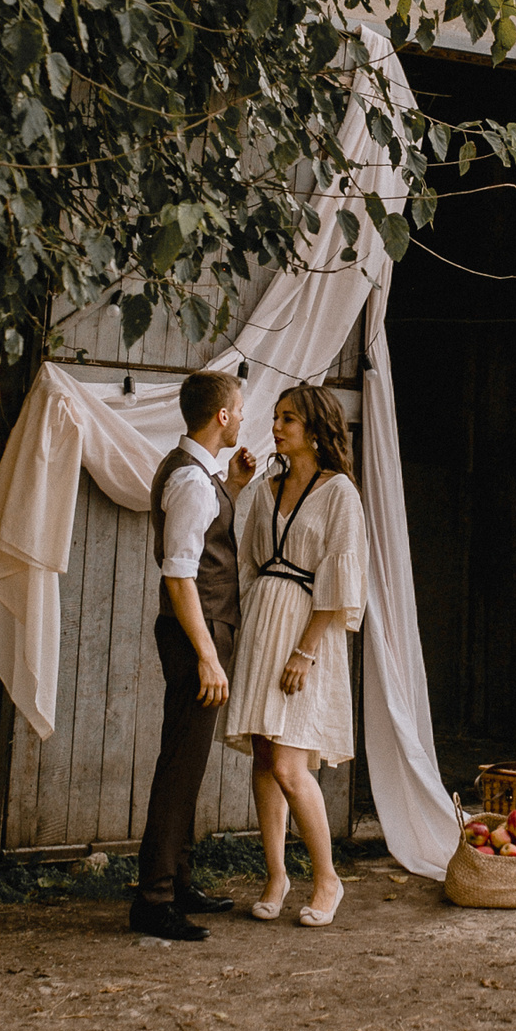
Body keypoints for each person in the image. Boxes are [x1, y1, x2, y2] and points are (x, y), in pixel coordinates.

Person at [221, 384, 367, 927]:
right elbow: (245, 557)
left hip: (309, 628)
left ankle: (328, 878)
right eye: (277, 417)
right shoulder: (266, 487)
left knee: (289, 762)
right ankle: (277, 874)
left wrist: (306, 650)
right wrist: (236, 487)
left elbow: (341, 576)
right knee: (264, 754)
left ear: (315, 428)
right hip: (265, 618)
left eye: (288, 419)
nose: (277, 427)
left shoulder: (338, 494)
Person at [129, 369, 259, 942]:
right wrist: (207, 656)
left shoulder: (204, 477)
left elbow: (203, 534)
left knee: (189, 760)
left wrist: (232, 485)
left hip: (202, 632)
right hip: (194, 635)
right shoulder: (188, 481)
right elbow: (180, 576)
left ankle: (177, 881)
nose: (244, 418)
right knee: (179, 765)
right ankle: (153, 899)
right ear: (222, 417)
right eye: (241, 409)